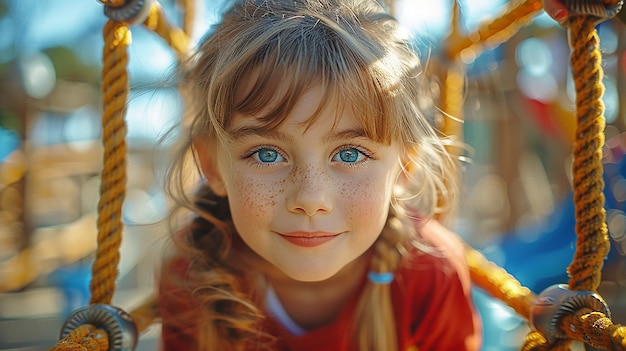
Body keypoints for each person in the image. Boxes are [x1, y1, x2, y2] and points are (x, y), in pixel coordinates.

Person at [158, 0, 482, 350]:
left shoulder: (432, 272)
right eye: (267, 155)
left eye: (349, 154)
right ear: (211, 166)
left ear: (405, 166)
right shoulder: (192, 275)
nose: (311, 200)